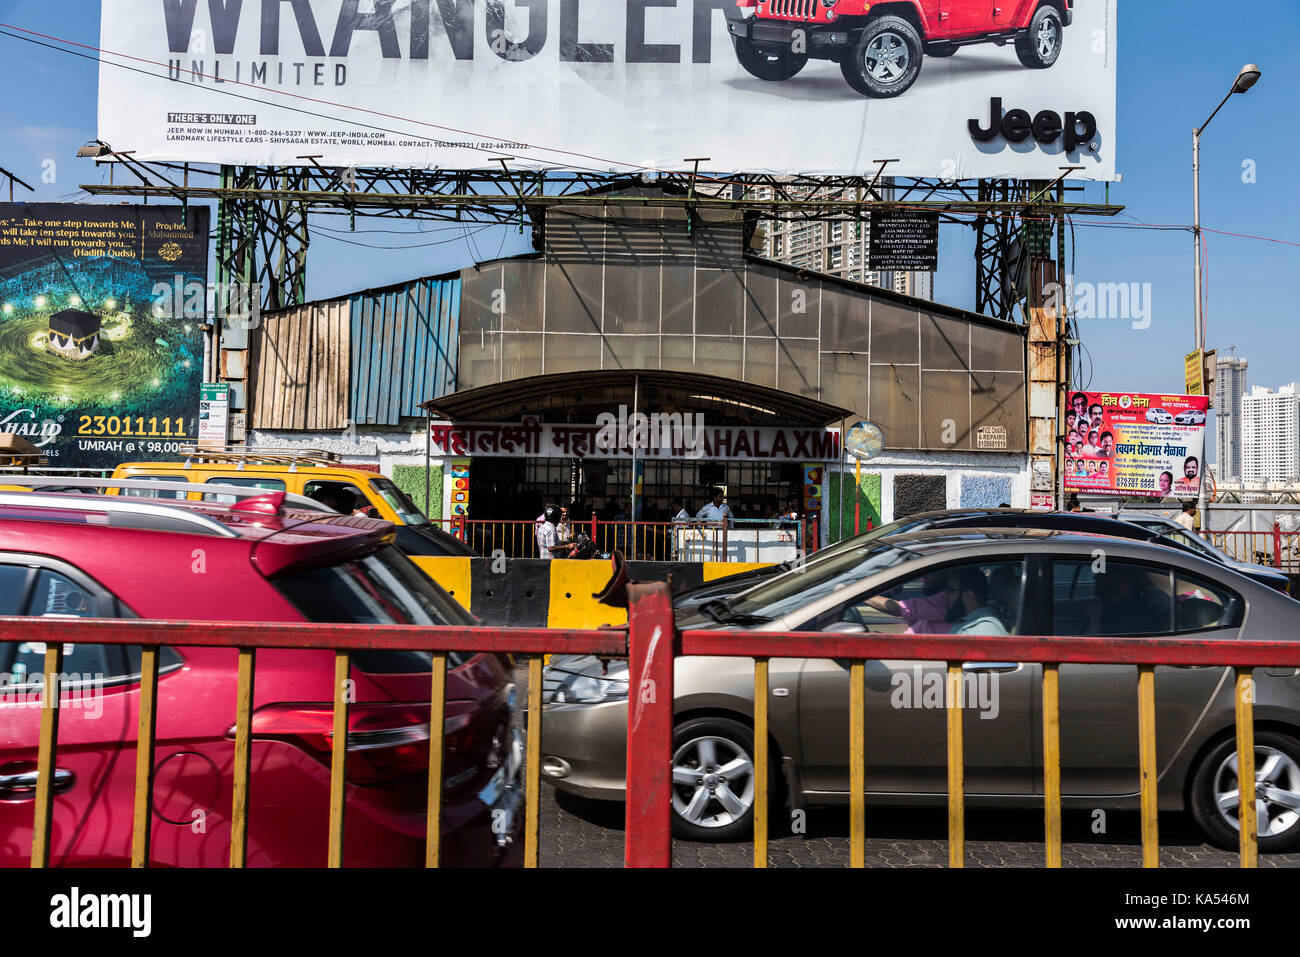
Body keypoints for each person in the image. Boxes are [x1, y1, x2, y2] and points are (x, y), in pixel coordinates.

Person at [864, 571, 959, 635]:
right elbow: (907, 638)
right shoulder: (928, 620)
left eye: (932, 573)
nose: (925, 577)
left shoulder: (945, 600)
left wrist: (861, 593)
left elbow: (898, 608)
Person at [950, 570, 1009, 636]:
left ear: (968, 595)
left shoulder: (984, 630)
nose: (947, 596)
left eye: (951, 590)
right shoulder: (971, 624)